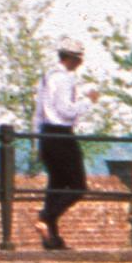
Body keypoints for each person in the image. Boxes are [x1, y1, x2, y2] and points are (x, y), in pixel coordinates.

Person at [34, 36, 91, 247]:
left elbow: (39, 112)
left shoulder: (46, 77)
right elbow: (66, 111)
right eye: (79, 58)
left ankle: (52, 239)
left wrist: (37, 139)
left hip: (46, 134)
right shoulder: (65, 78)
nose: (80, 63)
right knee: (78, 185)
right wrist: (88, 103)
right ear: (72, 58)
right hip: (61, 133)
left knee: (56, 185)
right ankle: (45, 218)